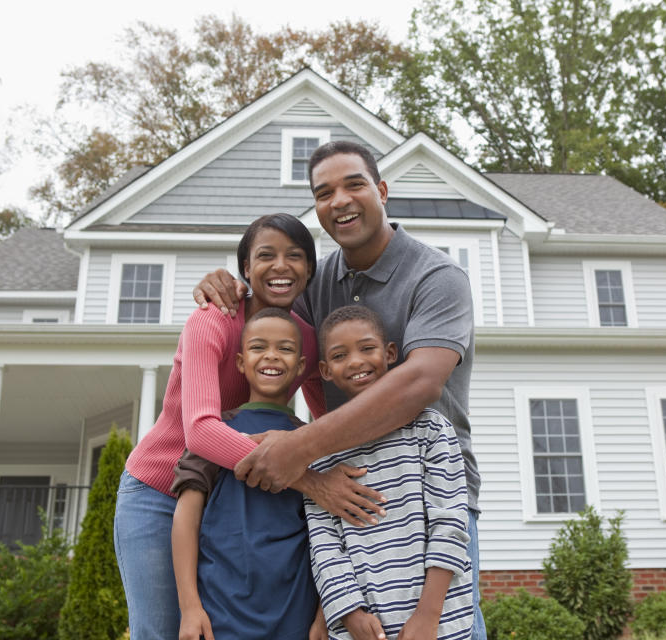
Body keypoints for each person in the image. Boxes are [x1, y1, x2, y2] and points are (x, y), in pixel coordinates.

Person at [194, 141, 487, 639]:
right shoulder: (318, 283)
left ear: (383, 191)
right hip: (342, 490)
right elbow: (272, 329)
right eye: (324, 193)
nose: (340, 200)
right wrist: (230, 284)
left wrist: (299, 448)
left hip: (426, 496)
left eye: (354, 184)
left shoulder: (437, 277)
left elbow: (420, 383)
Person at [115, 213, 386, 640]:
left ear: (309, 270)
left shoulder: (306, 339)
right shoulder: (212, 320)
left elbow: (329, 424)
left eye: (294, 256)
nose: (281, 266)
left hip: (233, 497)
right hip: (159, 491)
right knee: (166, 631)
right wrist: (309, 479)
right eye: (266, 256)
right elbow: (201, 433)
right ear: (245, 268)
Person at [307, 305, 472, 640]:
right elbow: (324, 545)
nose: (356, 361)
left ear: (390, 353)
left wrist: (428, 615)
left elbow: (450, 523)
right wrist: (350, 613)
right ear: (325, 370)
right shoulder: (320, 451)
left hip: (440, 621)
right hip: (362, 627)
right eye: (340, 355)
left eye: (367, 348)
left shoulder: (430, 429)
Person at [171, 308, 320, 640]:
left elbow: (329, 537)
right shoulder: (216, 431)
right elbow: (186, 517)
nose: (271, 355)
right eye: (258, 347)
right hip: (220, 614)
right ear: (240, 362)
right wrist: (190, 607)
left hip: (296, 616)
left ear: (299, 366)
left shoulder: (313, 443)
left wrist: (324, 615)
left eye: (285, 348)